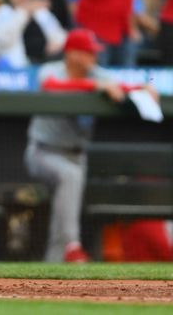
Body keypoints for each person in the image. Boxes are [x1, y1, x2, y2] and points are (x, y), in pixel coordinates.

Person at [24, 29, 157, 263]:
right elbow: (54, 86)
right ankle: (73, 245)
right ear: (73, 54)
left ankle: (53, 268)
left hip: (77, 155)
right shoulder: (50, 70)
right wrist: (94, 86)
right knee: (71, 176)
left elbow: (122, 87)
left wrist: (142, 88)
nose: (93, 57)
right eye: (88, 53)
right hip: (43, 151)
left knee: (63, 209)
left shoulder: (98, 74)